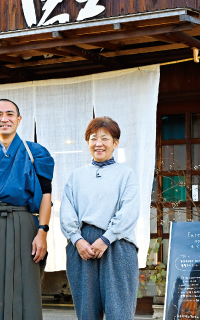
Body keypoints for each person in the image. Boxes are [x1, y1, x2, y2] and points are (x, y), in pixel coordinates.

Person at [0, 99, 54, 320]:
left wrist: (42, 232)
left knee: (24, 282)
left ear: (19, 119)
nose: (4, 119)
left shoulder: (35, 152)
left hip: (24, 222)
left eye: (9, 114)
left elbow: (46, 194)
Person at [60, 116, 139, 320]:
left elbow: (129, 210)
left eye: (105, 138)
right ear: (88, 142)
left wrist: (106, 239)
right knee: (86, 312)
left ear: (115, 143)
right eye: (93, 138)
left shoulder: (126, 174)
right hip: (82, 246)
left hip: (117, 244)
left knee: (119, 311)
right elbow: (67, 212)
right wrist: (77, 240)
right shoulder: (76, 176)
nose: (99, 143)